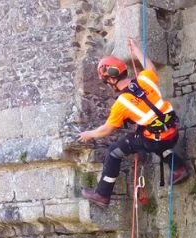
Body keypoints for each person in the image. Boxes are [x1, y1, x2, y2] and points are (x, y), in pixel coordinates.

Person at [77, 38, 190, 207]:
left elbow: (106, 130)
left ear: (111, 80)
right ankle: (178, 168)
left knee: (114, 151)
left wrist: (89, 134)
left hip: (156, 140)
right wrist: (136, 49)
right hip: (173, 132)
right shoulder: (145, 79)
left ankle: (102, 194)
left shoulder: (121, 104)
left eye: (106, 82)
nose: (108, 85)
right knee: (149, 138)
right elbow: (150, 67)